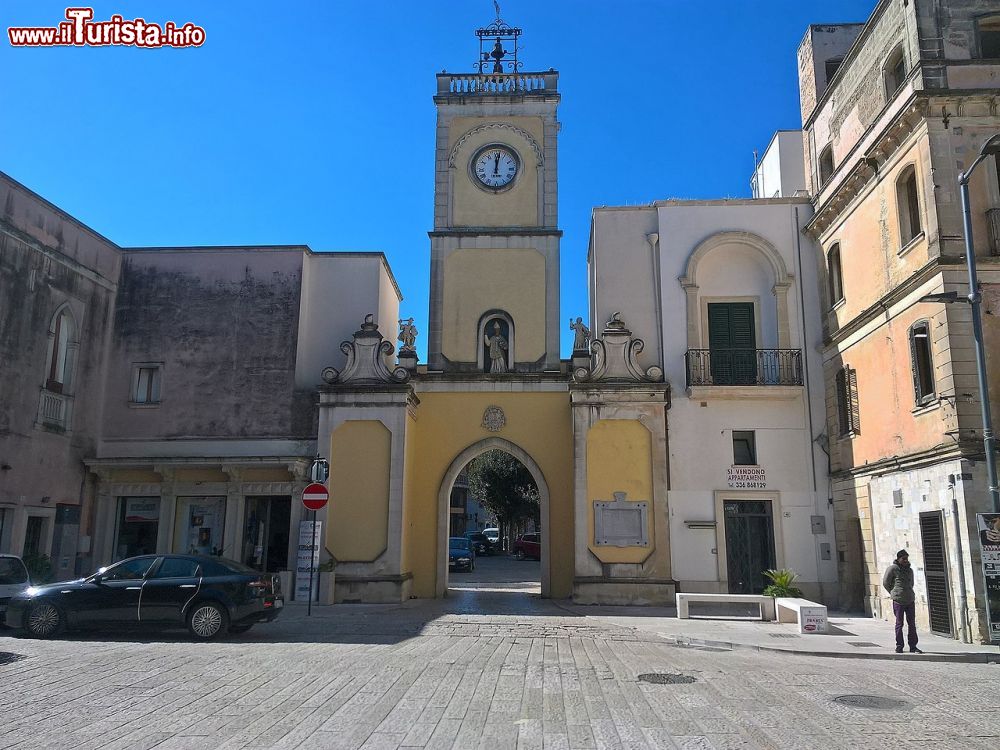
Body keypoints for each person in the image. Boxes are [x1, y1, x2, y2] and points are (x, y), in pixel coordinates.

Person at [882, 549, 922, 653]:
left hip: (909, 599)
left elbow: (911, 583)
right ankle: (899, 645)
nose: (905, 560)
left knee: (912, 623)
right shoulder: (893, 569)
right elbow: (886, 582)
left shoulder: (909, 570)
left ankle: (913, 646)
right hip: (898, 600)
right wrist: (894, 592)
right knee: (899, 623)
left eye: (906, 558)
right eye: (903, 559)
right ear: (898, 559)